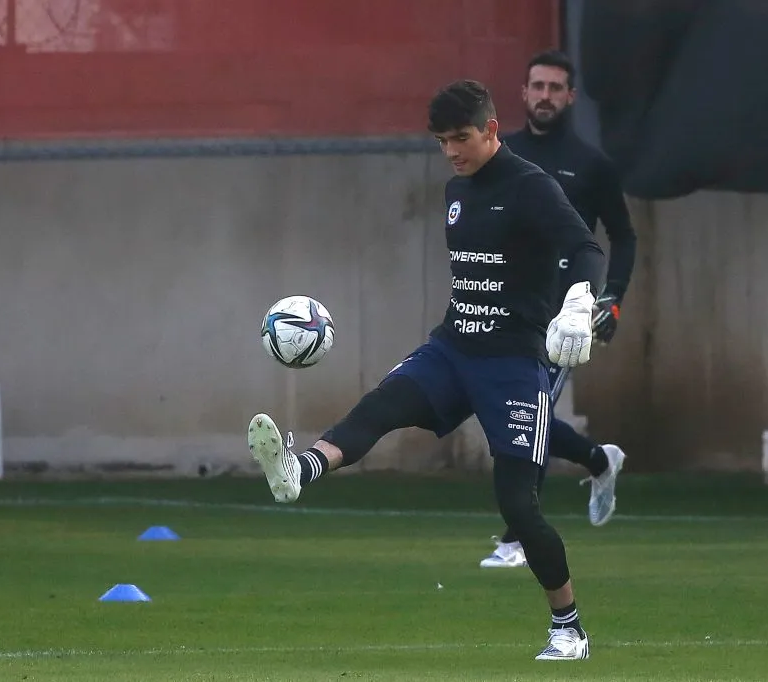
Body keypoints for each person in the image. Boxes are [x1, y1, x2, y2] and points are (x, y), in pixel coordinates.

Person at [248, 79, 616, 660]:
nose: (451, 151)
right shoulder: (456, 190)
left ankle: (568, 626)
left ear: (492, 129)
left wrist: (577, 303)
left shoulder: (531, 186)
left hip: (512, 364)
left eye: (461, 137)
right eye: (442, 141)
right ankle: (300, 470)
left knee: (519, 507)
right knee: (381, 406)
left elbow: (587, 250)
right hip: (453, 349)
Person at [479, 49, 638, 570]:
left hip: (567, 309)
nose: (545, 96)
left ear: (569, 97)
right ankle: (598, 460)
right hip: (505, 305)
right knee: (521, 412)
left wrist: (610, 297)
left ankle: (518, 536)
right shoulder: (501, 155)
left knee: (529, 413)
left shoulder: (592, 165)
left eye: (555, 88)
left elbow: (623, 234)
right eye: (537, 86)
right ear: (523, 94)